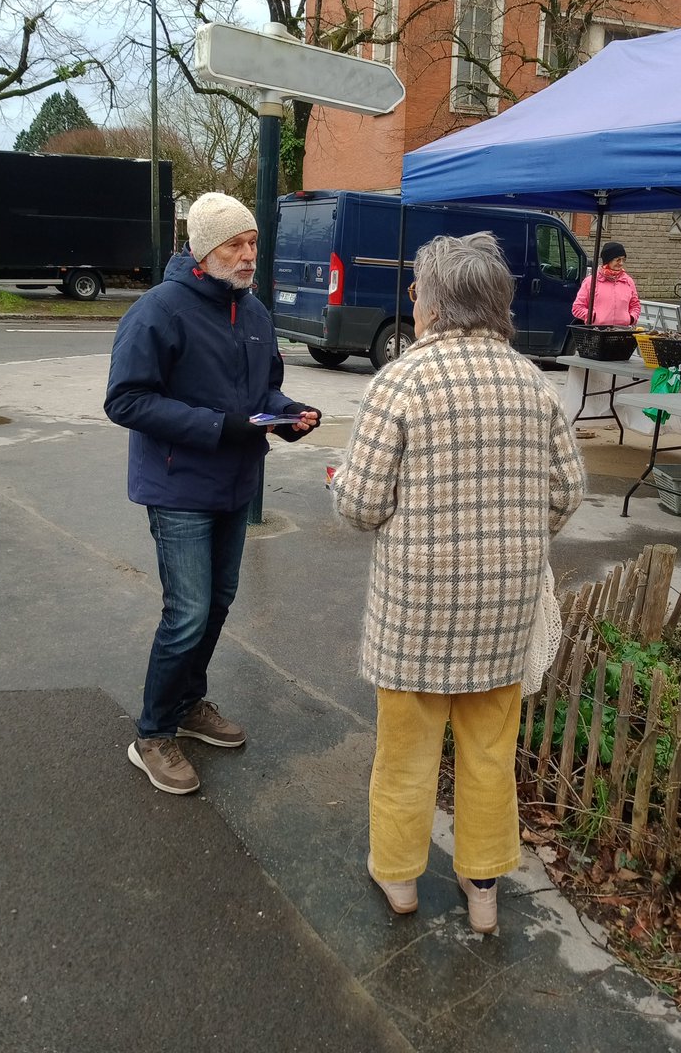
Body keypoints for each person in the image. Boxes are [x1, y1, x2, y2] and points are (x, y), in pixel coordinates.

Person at [332, 232, 584, 933]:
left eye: (417, 291)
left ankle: (401, 880)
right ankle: (482, 891)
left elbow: (359, 505)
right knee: (488, 755)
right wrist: (514, 540)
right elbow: (567, 492)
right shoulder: (534, 383)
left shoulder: (401, 382)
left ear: (436, 305)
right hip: (503, 612)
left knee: (406, 756)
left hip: (415, 610)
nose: (413, 302)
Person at [105, 192, 321, 795]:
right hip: (178, 485)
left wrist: (289, 413)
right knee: (188, 613)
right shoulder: (158, 311)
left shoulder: (252, 313)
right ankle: (152, 733)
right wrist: (215, 426)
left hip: (235, 484)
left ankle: (190, 703)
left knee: (218, 605)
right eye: (235, 244)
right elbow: (125, 400)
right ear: (203, 251)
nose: (249, 254)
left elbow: (264, 392)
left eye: (253, 242)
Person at [571, 240, 640, 327]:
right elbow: (577, 308)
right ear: (608, 260)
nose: (621, 263)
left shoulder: (628, 281)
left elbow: (635, 305)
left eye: (623, 259)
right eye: (618, 260)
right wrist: (593, 317)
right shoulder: (591, 281)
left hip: (622, 332)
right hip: (597, 332)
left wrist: (631, 318)